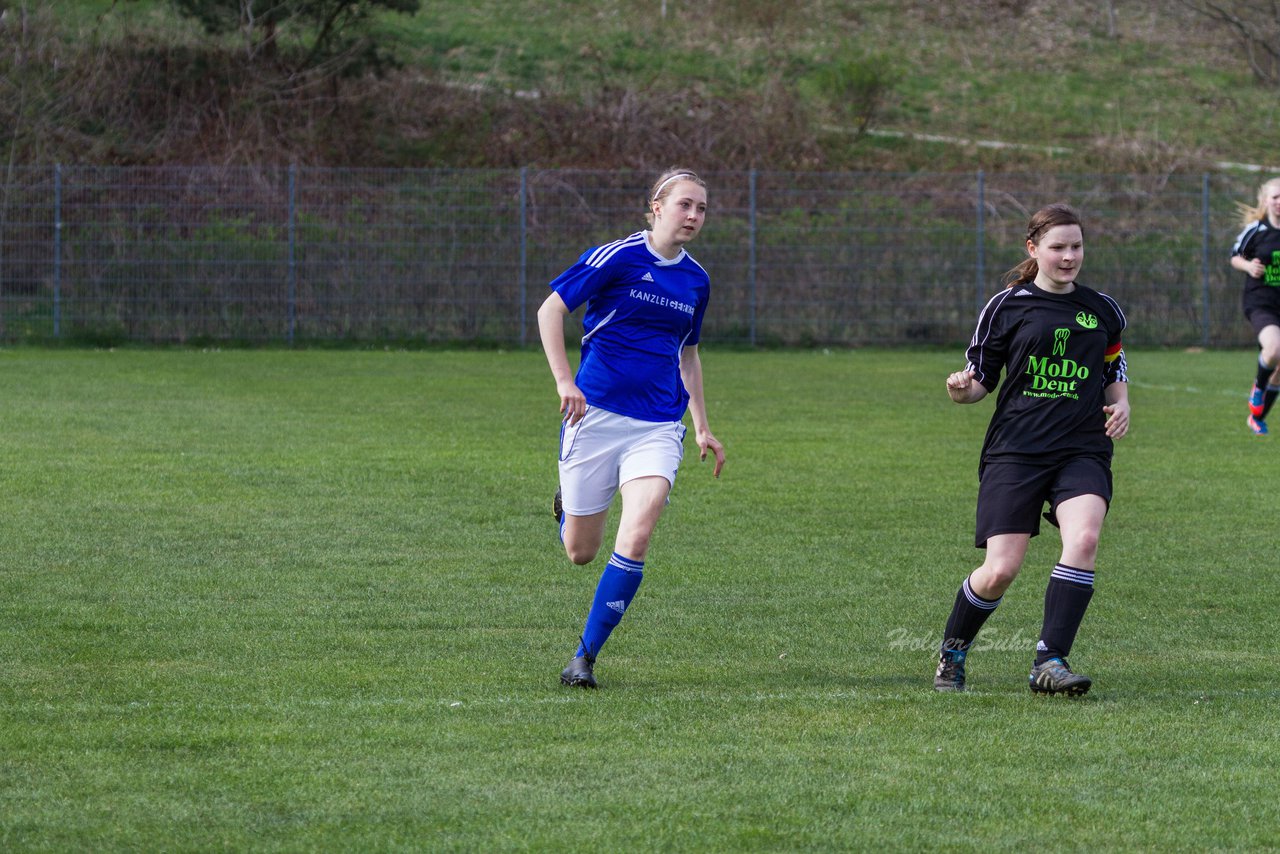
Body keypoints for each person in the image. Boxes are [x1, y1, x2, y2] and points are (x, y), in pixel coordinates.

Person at [537, 167, 726, 689]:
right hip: (592, 417)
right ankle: (567, 509)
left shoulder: (697, 280)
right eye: (685, 204)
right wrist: (563, 381)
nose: (694, 216)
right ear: (657, 206)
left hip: (657, 425)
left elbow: (688, 355)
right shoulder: (617, 256)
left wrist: (703, 425)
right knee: (581, 552)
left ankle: (583, 657)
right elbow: (550, 311)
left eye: (702, 209)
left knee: (638, 531)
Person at [933, 203, 1129, 696]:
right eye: (1058, 247)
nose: (1068, 257)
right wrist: (962, 390)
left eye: (1076, 246)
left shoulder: (1103, 309)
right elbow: (980, 382)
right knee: (1000, 569)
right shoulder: (1007, 306)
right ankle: (953, 652)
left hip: (1082, 448)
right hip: (1016, 451)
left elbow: (1113, 370)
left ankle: (1051, 661)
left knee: (1083, 541)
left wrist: (1121, 405)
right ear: (1033, 249)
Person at [1230, 177, 1280, 436]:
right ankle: (1259, 387)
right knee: (1274, 349)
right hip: (1261, 303)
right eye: (1275, 197)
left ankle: (1257, 417)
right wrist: (1249, 266)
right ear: (1266, 201)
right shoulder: (1256, 230)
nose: (1279, 202)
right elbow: (1235, 257)